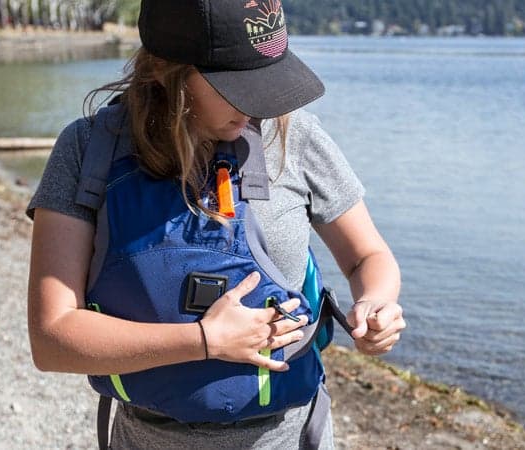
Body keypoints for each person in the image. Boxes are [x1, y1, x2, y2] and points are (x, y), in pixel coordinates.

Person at [26, 0, 404, 448]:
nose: (259, 105)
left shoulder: (295, 136)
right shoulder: (88, 149)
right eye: (239, 86)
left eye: (269, 80)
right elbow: (52, 339)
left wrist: (377, 303)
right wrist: (204, 340)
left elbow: (368, 256)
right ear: (168, 71)